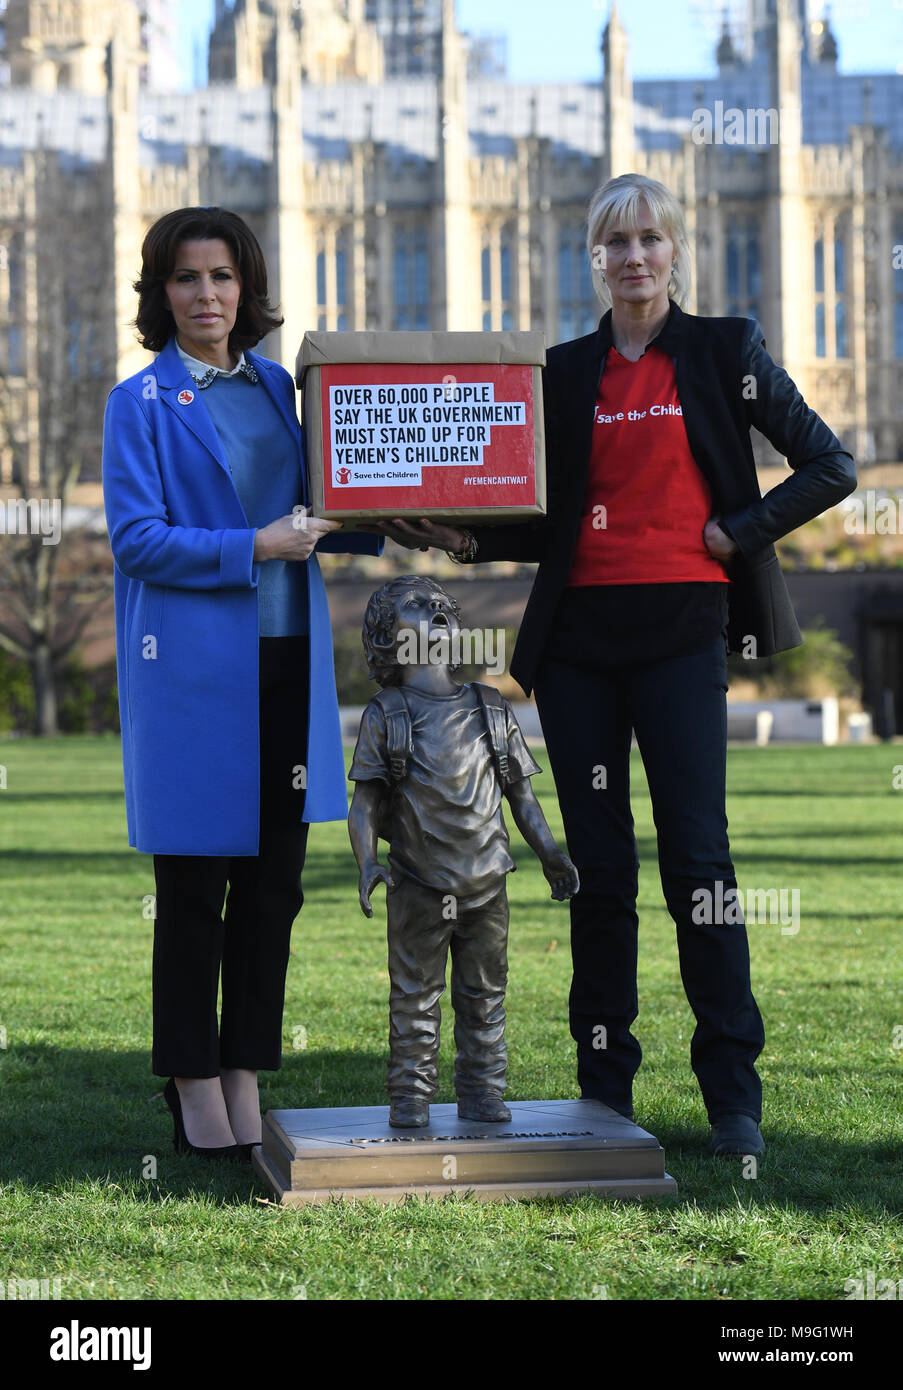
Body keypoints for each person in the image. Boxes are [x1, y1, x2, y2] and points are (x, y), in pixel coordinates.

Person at [376, 172, 857, 1158]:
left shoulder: (727, 350)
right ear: (591, 258)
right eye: (612, 242)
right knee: (596, 874)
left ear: (676, 248)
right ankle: (607, 1090)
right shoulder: (563, 369)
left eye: (648, 238)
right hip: (581, 646)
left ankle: (732, 1096)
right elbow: (541, 517)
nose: (632, 256)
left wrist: (738, 530)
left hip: (683, 633)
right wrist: (461, 540)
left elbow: (832, 465)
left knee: (700, 865)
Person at [102, 206, 382, 1160]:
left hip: (288, 661)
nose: (207, 295)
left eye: (222, 276)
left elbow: (334, 502)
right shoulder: (136, 404)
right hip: (190, 676)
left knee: (273, 889)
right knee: (194, 887)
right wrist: (252, 546)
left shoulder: (279, 387)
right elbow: (138, 541)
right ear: (161, 292)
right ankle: (188, 1077)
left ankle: (244, 1067)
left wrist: (435, 520)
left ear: (245, 286)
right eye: (186, 278)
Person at [347, 576, 578, 1129]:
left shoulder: (492, 708)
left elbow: (522, 797)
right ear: (388, 637)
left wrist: (550, 853)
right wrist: (367, 862)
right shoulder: (387, 714)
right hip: (417, 884)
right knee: (414, 998)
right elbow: (364, 802)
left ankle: (482, 1092)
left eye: (441, 604)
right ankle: (410, 1097)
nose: (435, 610)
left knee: (484, 997)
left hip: (487, 884)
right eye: (416, 606)